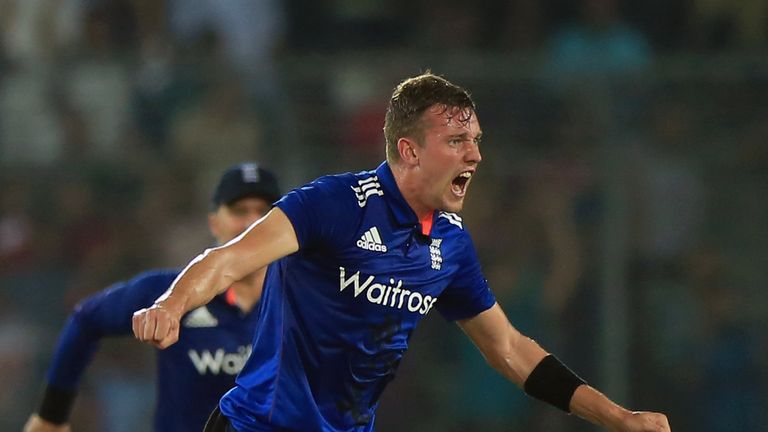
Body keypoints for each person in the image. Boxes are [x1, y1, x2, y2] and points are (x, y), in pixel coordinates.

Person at [133, 73, 671, 432]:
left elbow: (509, 348)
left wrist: (617, 417)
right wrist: (171, 305)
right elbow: (228, 259)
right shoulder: (335, 204)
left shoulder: (451, 245)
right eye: (458, 141)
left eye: (477, 140)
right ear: (409, 151)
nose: (476, 155)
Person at [24, 162, 281, 432]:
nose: (252, 222)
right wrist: (51, 417)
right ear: (214, 223)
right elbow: (87, 318)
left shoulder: (303, 302)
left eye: (264, 212)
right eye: (239, 211)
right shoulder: (171, 294)